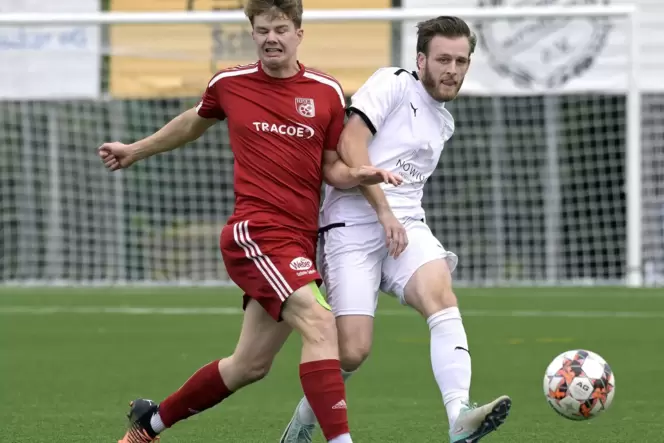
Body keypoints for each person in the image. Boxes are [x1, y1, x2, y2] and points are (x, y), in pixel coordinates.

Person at [98, 1, 402, 443]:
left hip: (298, 241)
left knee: (249, 366)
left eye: (280, 29)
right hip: (255, 233)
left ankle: (151, 422)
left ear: (299, 33)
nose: (271, 38)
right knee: (321, 326)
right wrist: (135, 149)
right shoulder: (230, 83)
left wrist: (357, 175)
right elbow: (191, 123)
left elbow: (332, 168)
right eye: (262, 30)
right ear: (253, 33)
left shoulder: (327, 91)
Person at [280, 16, 511, 443]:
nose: (452, 69)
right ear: (421, 59)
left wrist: (396, 218)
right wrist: (384, 213)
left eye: (462, 61)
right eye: (443, 59)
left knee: (440, 294)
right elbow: (352, 144)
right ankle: (302, 426)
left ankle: (459, 413)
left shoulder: (444, 122)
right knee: (352, 350)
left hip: (406, 226)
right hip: (351, 225)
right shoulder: (391, 83)